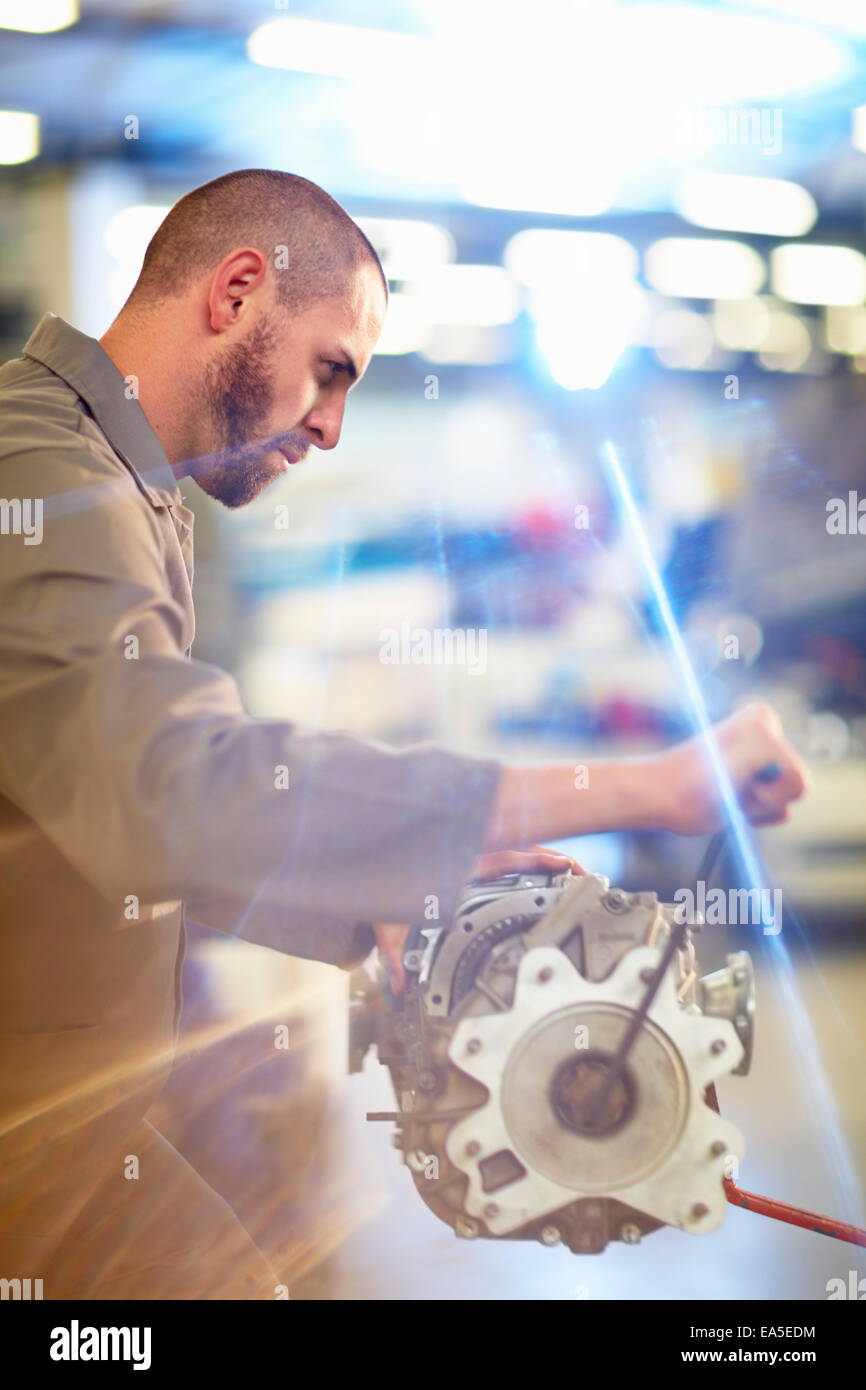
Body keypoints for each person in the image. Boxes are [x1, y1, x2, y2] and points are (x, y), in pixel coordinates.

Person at [0, 168, 808, 1299]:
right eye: (330, 370)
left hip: (64, 1128)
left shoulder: (125, 486)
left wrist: (378, 893)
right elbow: (172, 789)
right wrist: (650, 787)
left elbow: (108, 824)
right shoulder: (40, 470)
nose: (332, 427)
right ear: (237, 291)